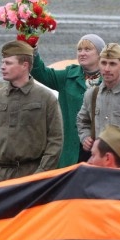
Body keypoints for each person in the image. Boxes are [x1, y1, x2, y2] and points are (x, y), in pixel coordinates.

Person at [0, 40, 63, 188]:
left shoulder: (46, 98)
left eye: (8, 63)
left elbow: (56, 141)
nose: (2, 67)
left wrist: (40, 175)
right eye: (2, 62)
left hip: (31, 175)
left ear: (24, 65)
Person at [31, 33, 106, 167]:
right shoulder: (68, 76)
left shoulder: (110, 79)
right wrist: (33, 49)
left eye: (87, 50)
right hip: (71, 152)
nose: (82, 53)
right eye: (79, 50)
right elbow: (40, 72)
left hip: (101, 150)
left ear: (100, 54)